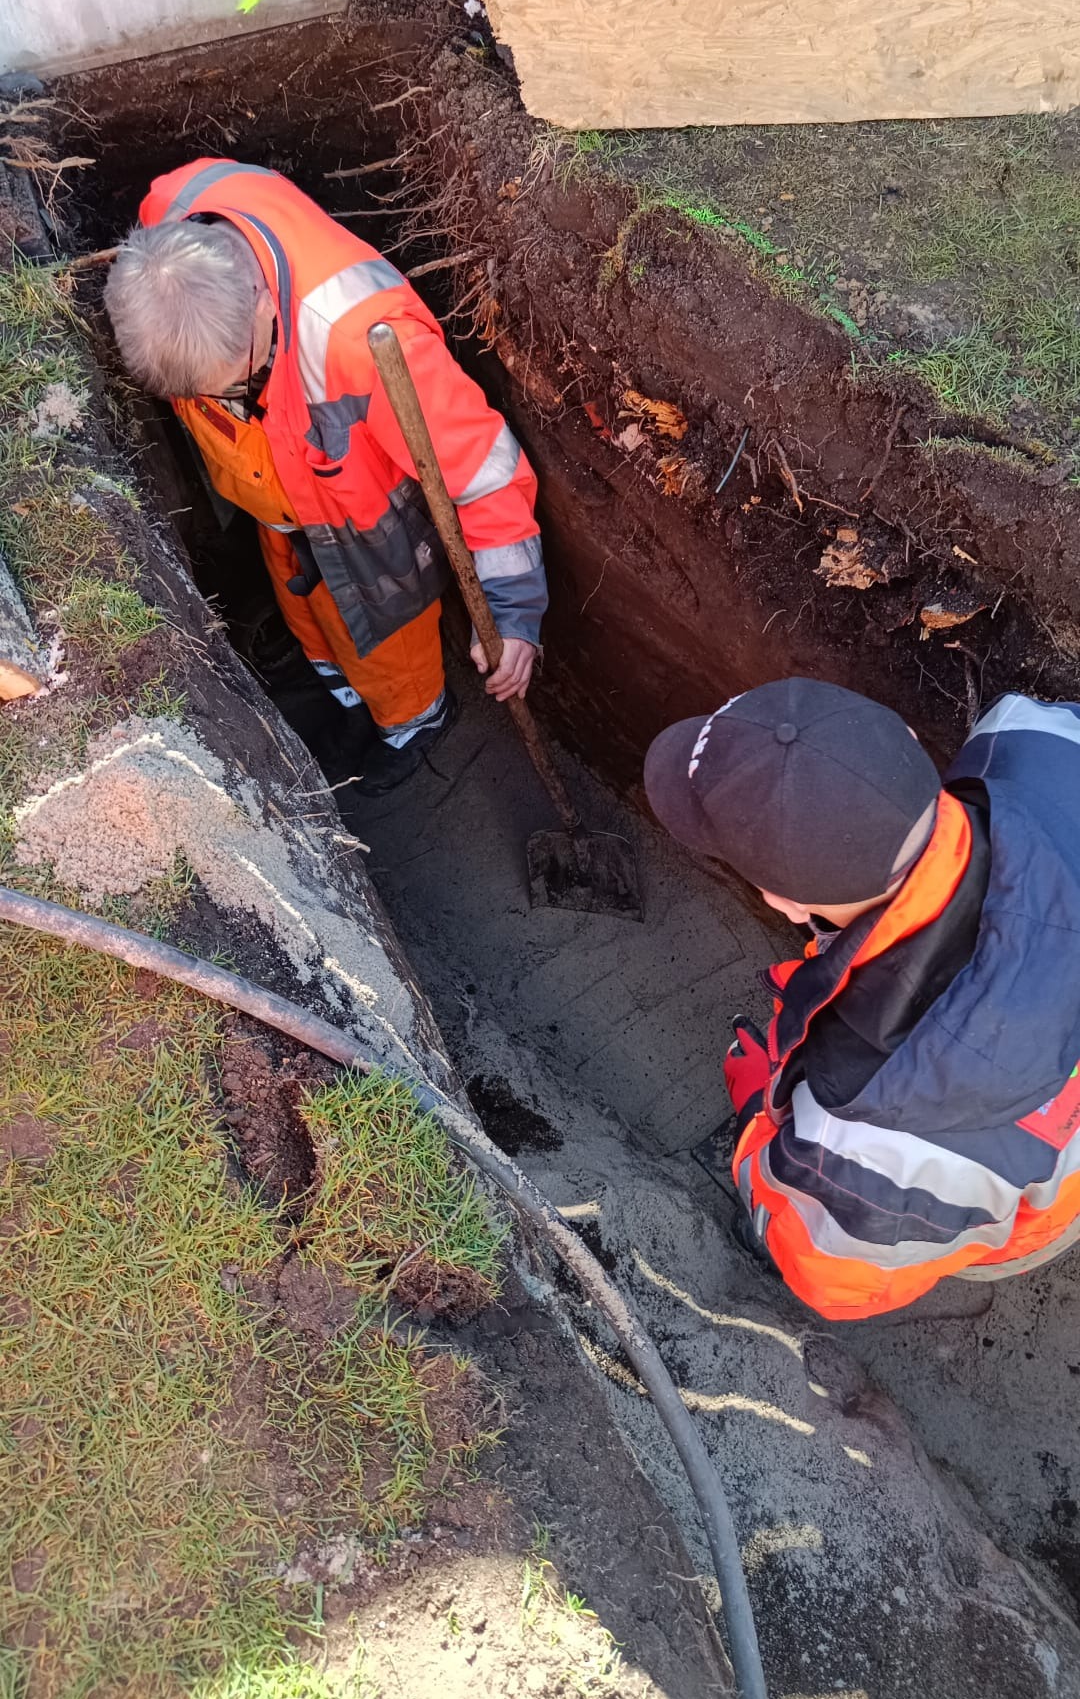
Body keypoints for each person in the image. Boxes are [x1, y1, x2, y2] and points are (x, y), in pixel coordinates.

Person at [104, 157, 547, 794]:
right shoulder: (168, 233)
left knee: (386, 648)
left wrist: (513, 614)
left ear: (262, 305)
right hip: (279, 506)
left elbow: (483, 474)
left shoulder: (362, 340)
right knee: (308, 615)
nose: (227, 396)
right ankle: (344, 699)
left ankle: (414, 724)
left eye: (237, 380)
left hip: (365, 526)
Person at [644, 679, 1080, 1320]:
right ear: (905, 741)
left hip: (1036, 1205)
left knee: (793, 1225)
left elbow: (838, 1284)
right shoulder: (1032, 738)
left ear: (784, 903)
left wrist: (757, 1120)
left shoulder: (866, 1141)